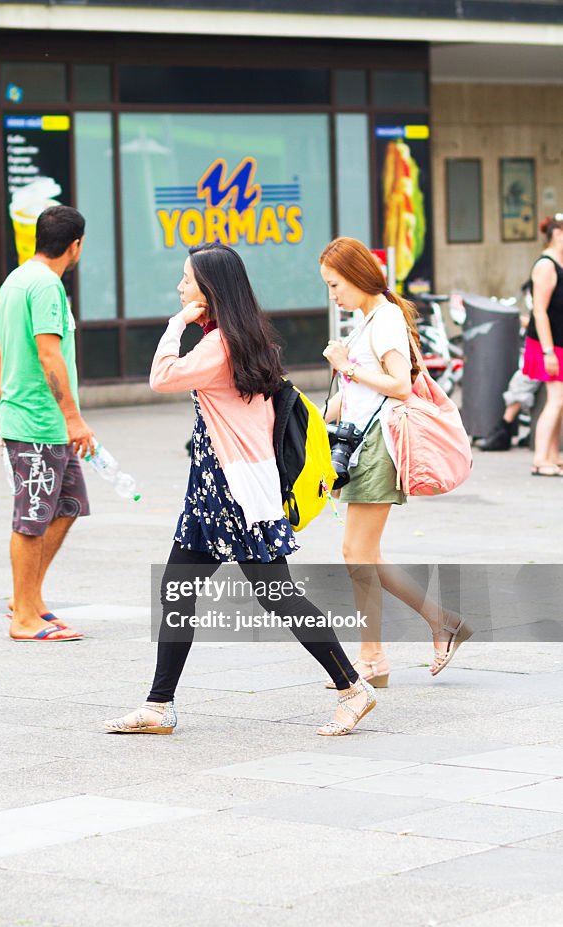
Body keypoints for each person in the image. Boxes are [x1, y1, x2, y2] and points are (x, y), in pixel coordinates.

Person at [104, 242, 375, 736]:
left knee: (276, 595)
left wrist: (175, 323)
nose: (180, 288)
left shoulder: (218, 344)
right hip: (220, 488)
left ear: (209, 290)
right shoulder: (243, 336)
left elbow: (161, 376)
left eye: (187, 280)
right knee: (180, 590)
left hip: (233, 492)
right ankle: (158, 704)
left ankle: (352, 687)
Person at [320, 237, 471, 688]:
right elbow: (357, 396)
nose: (333, 295)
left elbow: (399, 386)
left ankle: (377, 657)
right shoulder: (371, 319)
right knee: (364, 554)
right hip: (364, 443)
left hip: (379, 446)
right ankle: (426, 632)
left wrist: (345, 366)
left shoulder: (383, 319)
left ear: (358, 276)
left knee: (356, 553)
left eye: (335, 284)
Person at [0, 205, 93, 642]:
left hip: (37, 420)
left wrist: (5, 403)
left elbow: (2, 353)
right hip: (39, 421)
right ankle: (23, 619)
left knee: (68, 505)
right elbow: (48, 353)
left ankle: (28, 599)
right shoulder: (46, 286)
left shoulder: (16, 280)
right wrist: (74, 419)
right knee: (32, 517)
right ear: (75, 245)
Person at [522, 215, 563, 476]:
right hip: (548, 344)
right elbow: (539, 310)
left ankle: (552, 455)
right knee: (556, 399)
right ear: (558, 234)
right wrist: (548, 352)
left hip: (557, 342)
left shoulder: (557, 263)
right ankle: (540, 458)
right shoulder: (546, 266)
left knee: (559, 400)